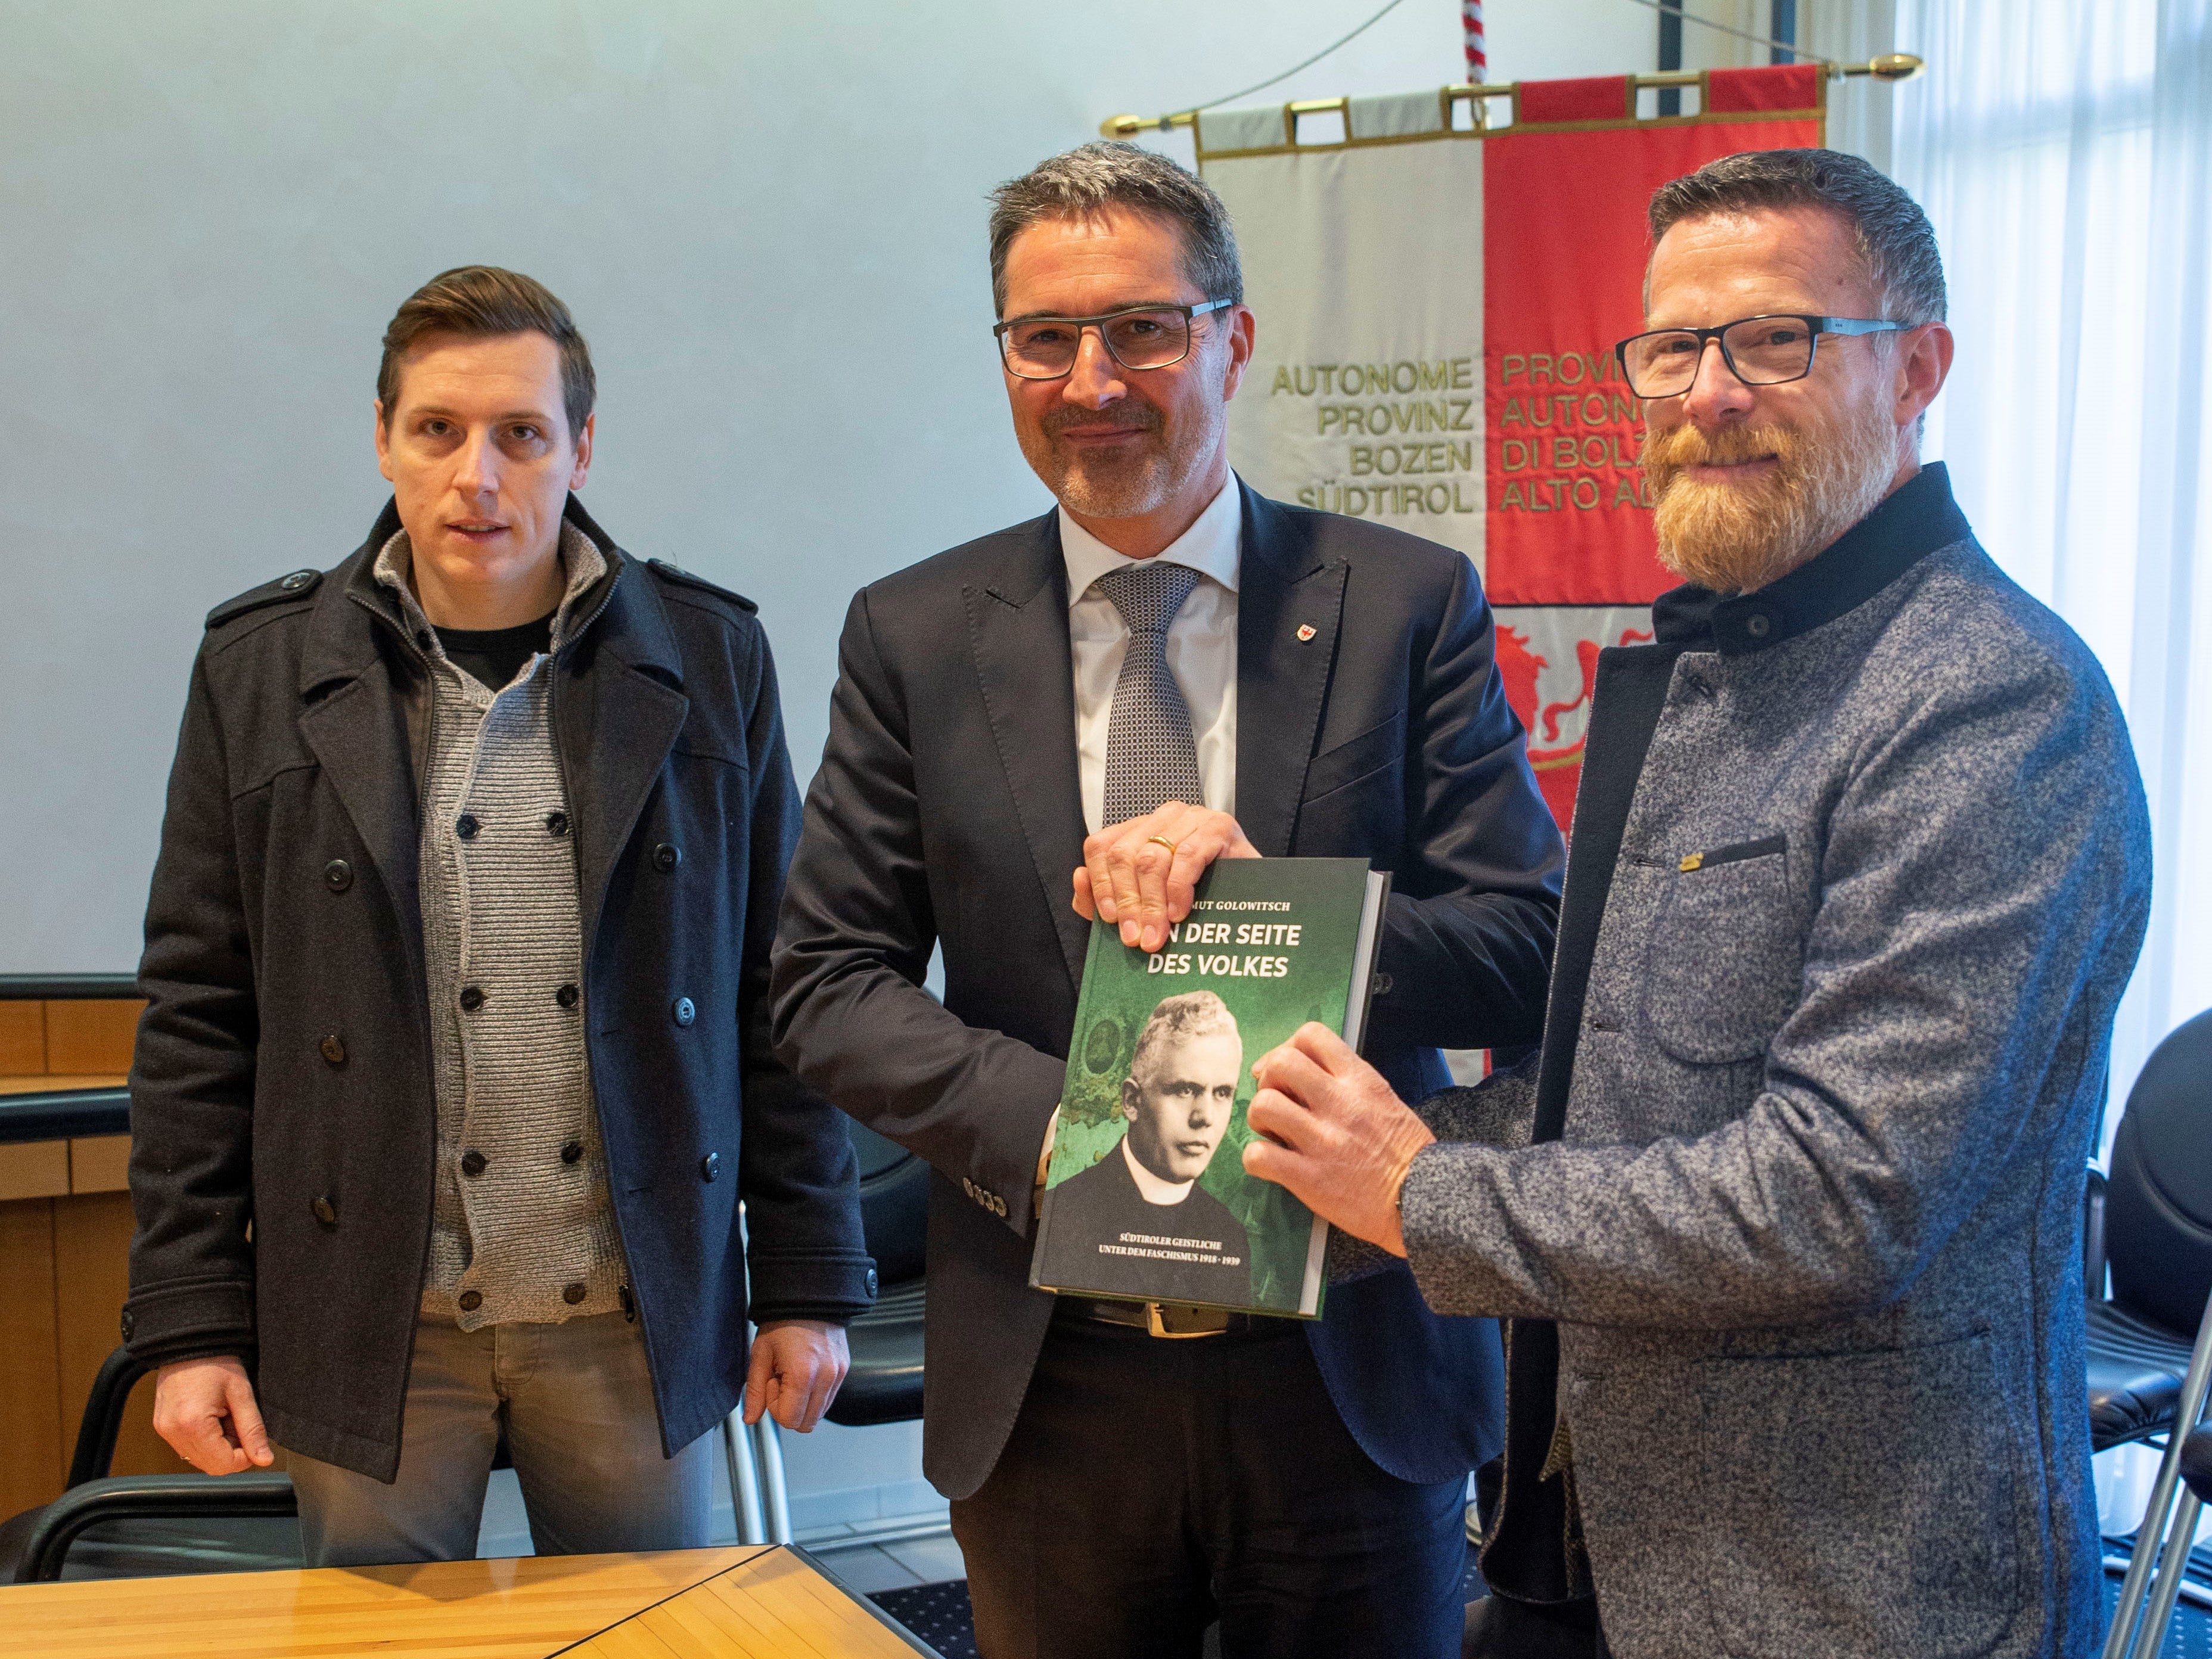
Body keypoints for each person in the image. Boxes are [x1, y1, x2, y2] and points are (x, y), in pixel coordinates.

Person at [1239, 150, 2152, 1659]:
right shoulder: (1725, 674)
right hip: (1593, 1532)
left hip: (1846, 1585)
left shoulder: (1990, 700)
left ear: (1917, 366)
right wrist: (1275, 1161)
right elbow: (1611, 1100)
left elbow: (1839, 1195)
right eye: (1670, 345)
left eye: (1776, 338)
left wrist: (1410, 1186)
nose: (1707, 391)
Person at [771, 143, 1564, 1659]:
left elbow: (1527, 951)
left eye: (1141, 325)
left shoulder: (1403, 603)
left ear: (1233, 338)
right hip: (1049, 1369)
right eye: (1043, 336)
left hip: (1344, 1359)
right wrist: (1078, 1124)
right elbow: (826, 977)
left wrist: (1289, 909)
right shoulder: (916, 631)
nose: (1090, 379)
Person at [124, 266, 875, 1566]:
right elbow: (201, 1010)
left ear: (579, 447)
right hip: (372, 1311)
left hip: (636, 1314)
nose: (479, 475)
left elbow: (777, 987)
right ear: (382, 439)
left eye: (521, 434)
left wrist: (807, 1279)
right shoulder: (259, 670)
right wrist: (190, 1320)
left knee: (646, 1647)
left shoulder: (704, 660)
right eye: (438, 431)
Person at [1042, 991, 1254, 1307]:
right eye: (1185, 1089)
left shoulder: (1231, 1235)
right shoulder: (1065, 1210)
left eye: (1222, 1093)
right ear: (1132, 1101)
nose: (1205, 1117)